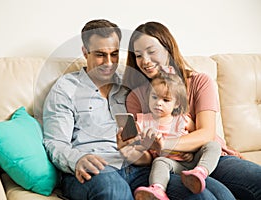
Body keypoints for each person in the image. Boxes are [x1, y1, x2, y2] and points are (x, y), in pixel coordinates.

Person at [42, 19, 233, 200]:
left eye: (114, 54)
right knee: (113, 188)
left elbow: (146, 137)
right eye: (100, 55)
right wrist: (77, 160)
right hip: (94, 168)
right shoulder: (66, 88)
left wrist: (139, 150)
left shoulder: (128, 86)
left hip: (137, 167)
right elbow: (55, 143)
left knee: (201, 194)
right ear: (85, 52)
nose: (109, 63)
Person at [121, 21, 261, 200]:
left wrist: (167, 143)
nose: (145, 61)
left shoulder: (199, 82)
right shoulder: (136, 96)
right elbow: (144, 150)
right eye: (138, 55)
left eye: (151, 51)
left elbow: (206, 134)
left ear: (168, 49)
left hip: (212, 157)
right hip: (172, 163)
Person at [132, 72, 221, 199]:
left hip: (193, 161)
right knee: (159, 162)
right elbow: (138, 145)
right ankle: (158, 189)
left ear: (177, 103)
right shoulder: (143, 122)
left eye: (166, 100)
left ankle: (200, 172)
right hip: (171, 164)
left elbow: (198, 137)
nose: (159, 103)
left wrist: (192, 153)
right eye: (154, 97)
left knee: (213, 145)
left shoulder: (183, 119)